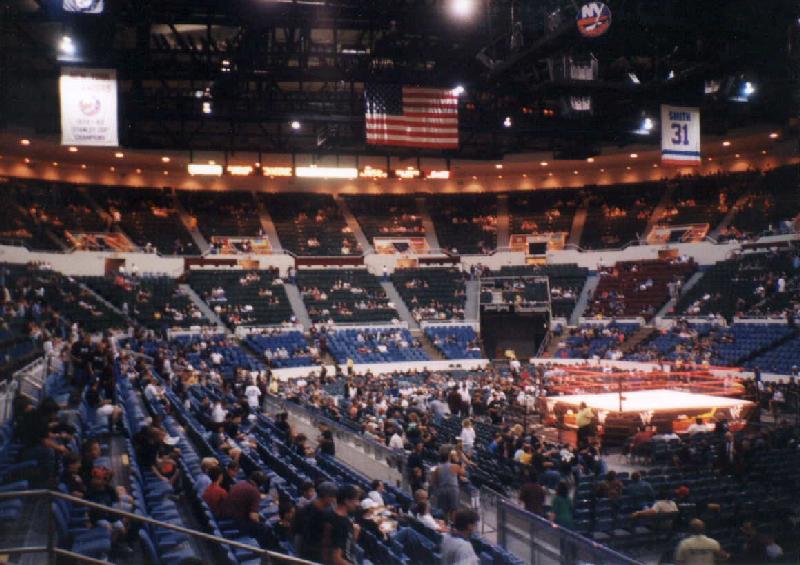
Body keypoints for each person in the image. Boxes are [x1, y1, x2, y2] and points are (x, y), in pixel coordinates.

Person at [220, 471, 270, 546]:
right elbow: (253, 516)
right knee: (265, 527)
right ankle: (259, 548)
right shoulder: (254, 492)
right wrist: (259, 520)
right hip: (238, 521)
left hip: (227, 514)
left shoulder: (240, 483)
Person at [295, 481, 338, 561]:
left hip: (305, 553)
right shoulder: (325, 516)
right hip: (315, 556)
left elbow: (297, 535)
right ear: (326, 497)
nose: (334, 500)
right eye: (333, 497)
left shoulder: (304, 509)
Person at [322, 484, 362, 565]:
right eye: (356, 500)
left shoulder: (330, 512)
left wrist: (353, 535)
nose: (358, 504)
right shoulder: (342, 523)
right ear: (347, 501)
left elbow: (345, 545)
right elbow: (336, 558)